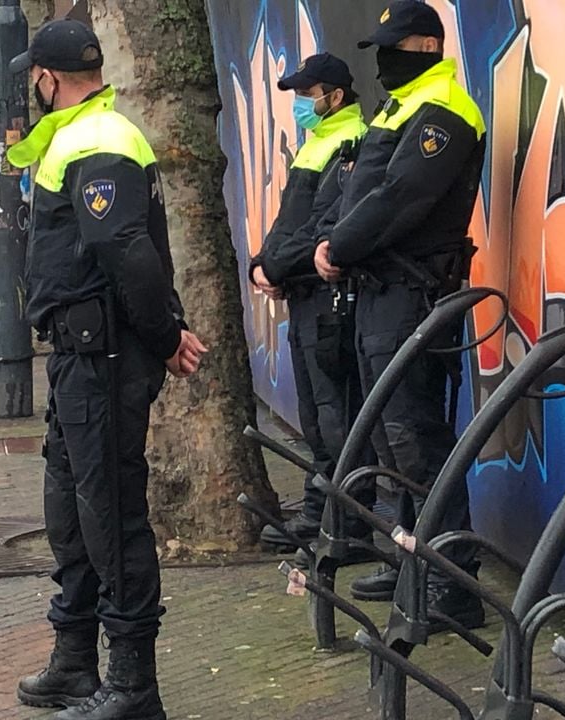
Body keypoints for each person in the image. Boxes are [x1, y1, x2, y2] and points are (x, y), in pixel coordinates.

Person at [5, 18, 207, 720]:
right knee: (71, 512)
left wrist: (166, 333)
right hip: (81, 358)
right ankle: (74, 661)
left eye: (33, 78)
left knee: (112, 520)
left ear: (47, 79)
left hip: (107, 357)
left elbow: (128, 251)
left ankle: (131, 686)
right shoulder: (80, 135)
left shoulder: (98, 140)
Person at [314, 0, 487, 627]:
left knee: (420, 441)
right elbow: (363, 192)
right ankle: (409, 557)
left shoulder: (445, 109)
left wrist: (340, 245)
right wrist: (336, 245)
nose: (383, 60)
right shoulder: (400, 107)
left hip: (416, 295)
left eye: (393, 47)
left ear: (423, 47)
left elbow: (401, 197)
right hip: (381, 293)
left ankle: (453, 586)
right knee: (389, 436)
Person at [248, 53, 376, 561]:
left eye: (309, 93)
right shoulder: (317, 144)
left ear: (335, 97)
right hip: (304, 297)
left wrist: (273, 267)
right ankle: (320, 510)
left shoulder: (351, 144)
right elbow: (290, 224)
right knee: (315, 414)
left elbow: (325, 225)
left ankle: (349, 523)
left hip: (328, 301)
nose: (302, 103)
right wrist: (262, 263)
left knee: (337, 412)